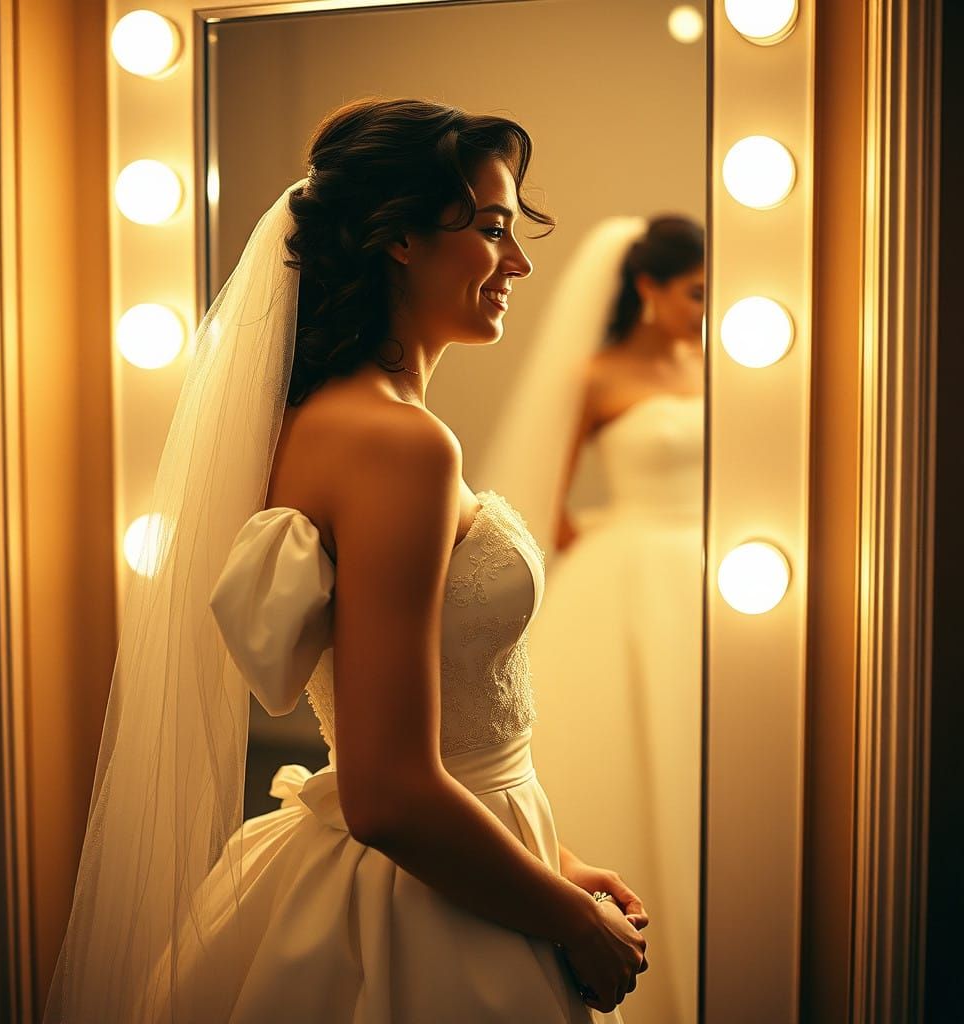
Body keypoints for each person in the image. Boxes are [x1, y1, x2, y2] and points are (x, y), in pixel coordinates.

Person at [43, 97, 651, 1023]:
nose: (518, 261)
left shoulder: (313, 422)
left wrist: (547, 857)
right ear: (401, 238)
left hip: (466, 852)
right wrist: (570, 918)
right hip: (419, 905)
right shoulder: (400, 446)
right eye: (493, 228)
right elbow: (390, 791)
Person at [482, 215, 705, 1023]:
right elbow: (549, 504)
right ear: (647, 289)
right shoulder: (599, 374)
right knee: (634, 752)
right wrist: (626, 535)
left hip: (721, 576)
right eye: (693, 294)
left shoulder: (723, 365)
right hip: (635, 578)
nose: (703, 312)